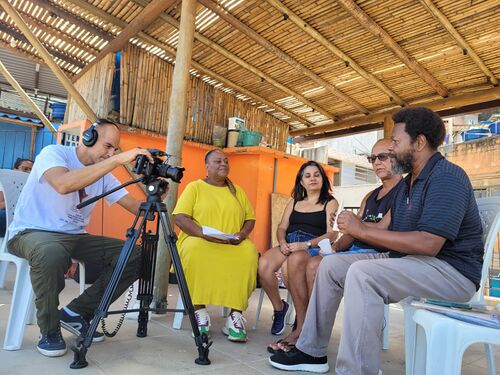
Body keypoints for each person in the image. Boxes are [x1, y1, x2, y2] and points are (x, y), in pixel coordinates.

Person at [269, 107, 483, 374]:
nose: (392, 150)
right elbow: (386, 233)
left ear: (419, 142)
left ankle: (357, 370)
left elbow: (429, 243)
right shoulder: (409, 184)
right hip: (412, 262)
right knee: (331, 266)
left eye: (395, 142)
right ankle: (311, 352)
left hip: (451, 272)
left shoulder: (447, 177)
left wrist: (361, 230)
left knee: (362, 272)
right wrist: (350, 231)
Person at [7, 120, 155, 357]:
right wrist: (116, 160)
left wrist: (156, 193)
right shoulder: (54, 153)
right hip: (32, 232)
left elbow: (135, 206)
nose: (110, 153)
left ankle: (76, 313)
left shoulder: (104, 173)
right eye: (107, 146)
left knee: (135, 254)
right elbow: (63, 185)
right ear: (89, 137)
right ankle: (49, 328)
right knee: (51, 251)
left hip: (75, 237)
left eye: (114, 150)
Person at [172, 149, 258, 343]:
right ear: (207, 166)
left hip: (231, 243)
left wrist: (242, 234)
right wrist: (203, 234)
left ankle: (235, 317)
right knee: (193, 250)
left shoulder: (237, 191)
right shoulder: (195, 187)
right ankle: (199, 313)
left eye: (226, 161)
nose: (224, 164)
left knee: (249, 252)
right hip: (200, 240)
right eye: (218, 161)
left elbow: (250, 218)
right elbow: (180, 217)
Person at [259, 161, 338, 353]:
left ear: (322, 179)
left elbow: (332, 234)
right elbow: (282, 227)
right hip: (290, 242)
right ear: (301, 181)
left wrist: (306, 244)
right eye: (307, 176)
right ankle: (280, 308)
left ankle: (300, 325)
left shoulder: (330, 202)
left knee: (290, 265)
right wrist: (282, 241)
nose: (312, 179)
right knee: (264, 265)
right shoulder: (294, 201)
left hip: (312, 245)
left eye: (316, 175)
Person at [305, 139, 403, 290]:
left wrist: (353, 224)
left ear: (399, 157)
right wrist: (336, 245)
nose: (376, 162)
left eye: (382, 156)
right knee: (301, 260)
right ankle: (304, 313)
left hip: (379, 254)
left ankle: (313, 313)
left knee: (316, 265)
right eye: (372, 158)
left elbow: (382, 229)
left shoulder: (404, 192)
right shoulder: (370, 195)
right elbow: (352, 232)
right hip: (355, 250)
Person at [0, 158, 34, 236]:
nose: (29, 172)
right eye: (25, 169)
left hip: (28, 218)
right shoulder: (5, 184)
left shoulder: (36, 185)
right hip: (9, 215)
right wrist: (13, 201)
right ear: (15, 170)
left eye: (32, 170)